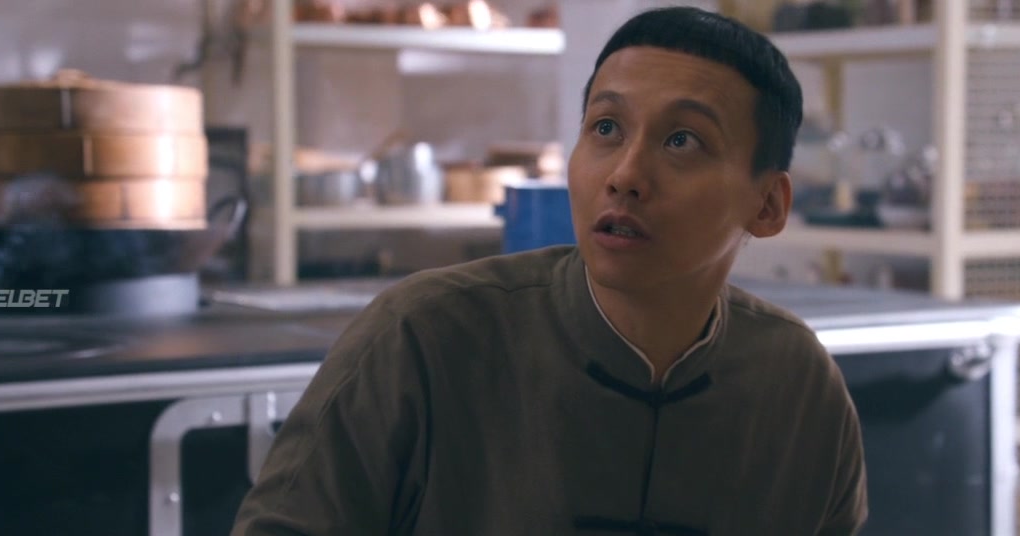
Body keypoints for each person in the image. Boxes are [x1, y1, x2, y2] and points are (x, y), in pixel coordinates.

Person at [231, 6, 867, 535]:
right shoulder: (423, 338)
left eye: (683, 140)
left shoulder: (798, 386)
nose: (625, 175)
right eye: (606, 128)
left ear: (768, 204)